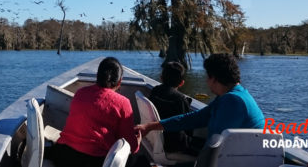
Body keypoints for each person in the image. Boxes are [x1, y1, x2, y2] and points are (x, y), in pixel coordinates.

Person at [135, 53, 265, 145]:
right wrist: (151, 126)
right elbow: (193, 118)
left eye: (207, 77)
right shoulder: (232, 96)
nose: (206, 82)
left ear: (214, 78)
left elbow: (215, 145)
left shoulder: (232, 101)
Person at [49, 57, 142, 167]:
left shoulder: (80, 93)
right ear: (119, 81)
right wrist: (138, 141)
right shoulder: (123, 103)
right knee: (141, 161)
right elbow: (131, 146)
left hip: (64, 156)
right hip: (94, 161)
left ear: (97, 76)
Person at [148, 61, 197, 154]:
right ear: (182, 83)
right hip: (174, 145)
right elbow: (188, 128)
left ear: (161, 78)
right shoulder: (180, 100)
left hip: (157, 140)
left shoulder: (155, 91)